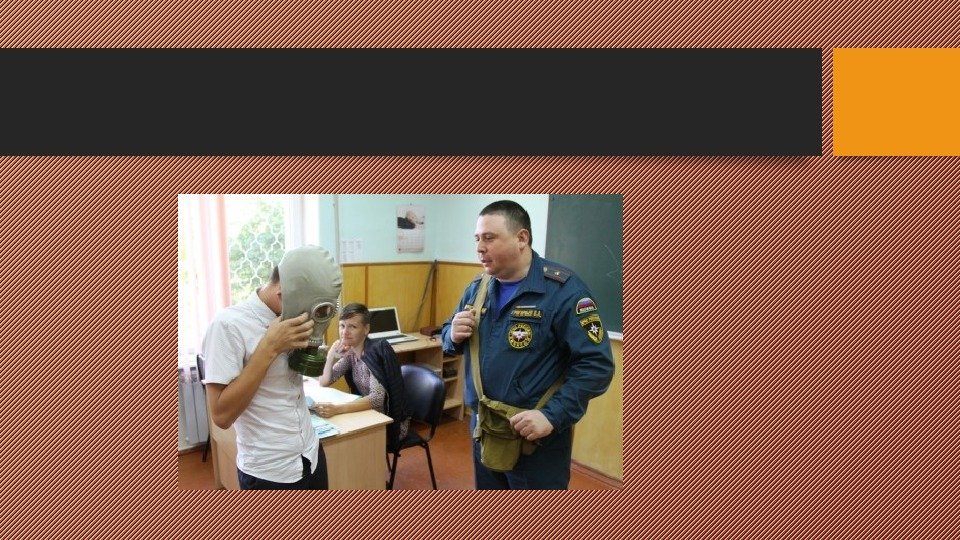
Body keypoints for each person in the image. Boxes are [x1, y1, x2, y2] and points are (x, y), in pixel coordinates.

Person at [441, 200, 615, 489]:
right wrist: (451, 335)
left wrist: (552, 415)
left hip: (535, 437)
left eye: (489, 238)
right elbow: (448, 334)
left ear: (522, 238)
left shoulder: (563, 291)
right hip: (484, 429)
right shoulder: (477, 289)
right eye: (477, 239)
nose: (479, 248)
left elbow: (596, 366)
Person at [202, 245, 341, 490]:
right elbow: (221, 416)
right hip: (268, 471)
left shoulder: (292, 319)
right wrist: (269, 347)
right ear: (282, 294)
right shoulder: (228, 326)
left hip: (311, 455)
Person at [318, 303, 411, 452]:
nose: (345, 332)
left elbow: (376, 399)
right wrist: (331, 355)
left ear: (366, 329)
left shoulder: (375, 352)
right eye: (342, 326)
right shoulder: (351, 354)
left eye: (352, 327)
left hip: (392, 423)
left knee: (343, 442)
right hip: (369, 415)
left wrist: (337, 409)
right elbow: (324, 381)